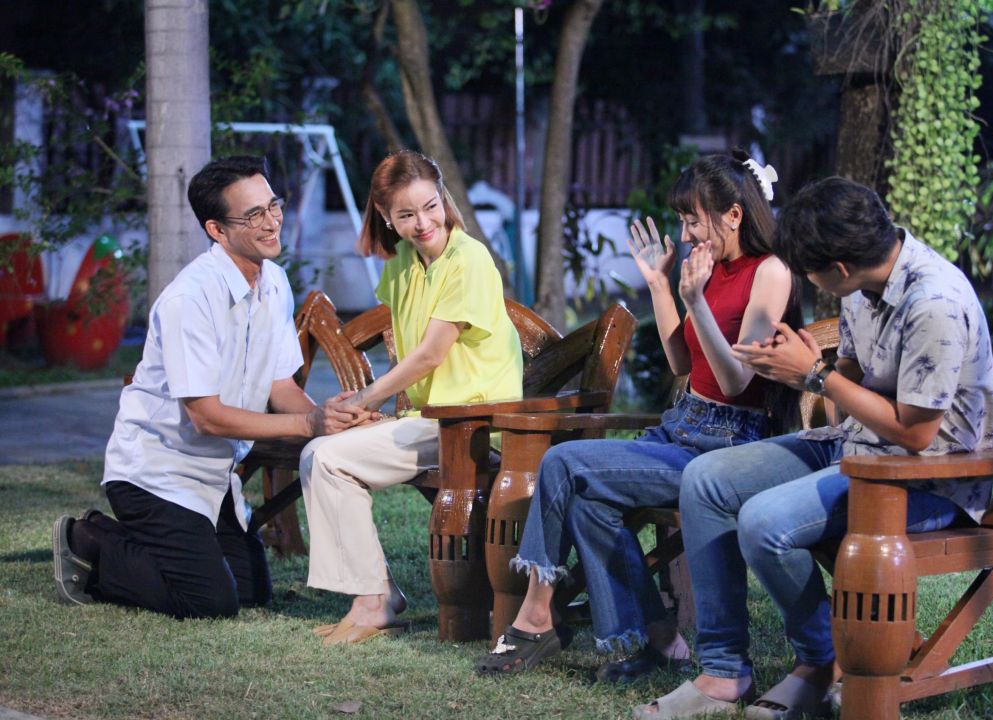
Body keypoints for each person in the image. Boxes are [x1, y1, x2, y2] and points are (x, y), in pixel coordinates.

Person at [634, 177, 993, 720]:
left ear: (841, 268)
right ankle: (723, 672)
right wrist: (809, 368)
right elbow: (850, 386)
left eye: (810, 271)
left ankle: (820, 660)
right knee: (705, 479)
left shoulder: (933, 302)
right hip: (855, 446)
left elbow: (916, 433)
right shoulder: (863, 285)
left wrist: (819, 377)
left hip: (923, 477)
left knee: (764, 521)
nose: (806, 280)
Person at [474, 151, 801, 681]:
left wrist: (695, 301)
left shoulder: (770, 272)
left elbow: (737, 381)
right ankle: (658, 641)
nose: (685, 233)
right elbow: (681, 363)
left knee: (562, 463)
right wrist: (659, 283)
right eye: (683, 220)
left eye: (693, 220)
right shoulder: (706, 268)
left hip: (726, 449)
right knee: (587, 504)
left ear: (734, 215)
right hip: (682, 427)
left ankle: (535, 616)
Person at [51, 155, 364, 618]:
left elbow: (280, 384)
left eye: (273, 205)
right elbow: (206, 417)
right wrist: (307, 424)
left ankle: (163, 545)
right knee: (210, 601)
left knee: (252, 592)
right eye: (253, 215)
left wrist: (328, 419)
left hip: (216, 475)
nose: (271, 221)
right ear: (217, 230)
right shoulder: (189, 298)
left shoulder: (274, 282)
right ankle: (89, 538)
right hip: (155, 472)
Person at [300, 149, 523, 646]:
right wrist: (378, 411)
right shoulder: (402, 261)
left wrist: (365, 401)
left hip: (473, 423)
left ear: (443, 198)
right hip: (429, 420)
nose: (422, 223)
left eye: (430, 206)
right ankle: (373, 595)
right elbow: (406, 349)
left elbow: (429, 355)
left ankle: (374, 600)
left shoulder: (469, 258)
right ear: (385, 215)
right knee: (316, 454)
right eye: (406, 214)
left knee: (329, 459)